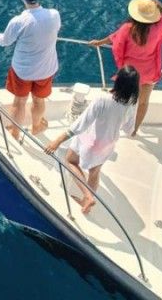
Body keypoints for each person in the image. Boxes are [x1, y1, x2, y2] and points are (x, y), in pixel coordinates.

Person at [44, 66, 140, 214]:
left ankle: (88, 196)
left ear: (118, 81)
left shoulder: (102, 99)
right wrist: (133, 131)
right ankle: (86, 204)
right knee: (94, 172)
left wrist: (58, 140)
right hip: (108, 144)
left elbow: (82, 123)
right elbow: (129, 129)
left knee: (70, 161)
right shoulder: (132, 103)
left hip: (90, 140)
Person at [0, 0, 61, 139]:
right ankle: (36, 126)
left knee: (20, 101)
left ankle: (15, 132)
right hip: (46, 69)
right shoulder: (54, 15)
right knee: (39, 100)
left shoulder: (18, 21)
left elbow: (4, 41)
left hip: (23, 71)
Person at [87, 0, 162, 136]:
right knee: (143, 102)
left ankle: (110, 127)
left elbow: (116, 42)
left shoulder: (127, 29)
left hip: (129, 73)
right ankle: (134, 130)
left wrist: (100, 42)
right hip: (150, 71)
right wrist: (161, 5)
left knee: (118, 100)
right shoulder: (161, 27)